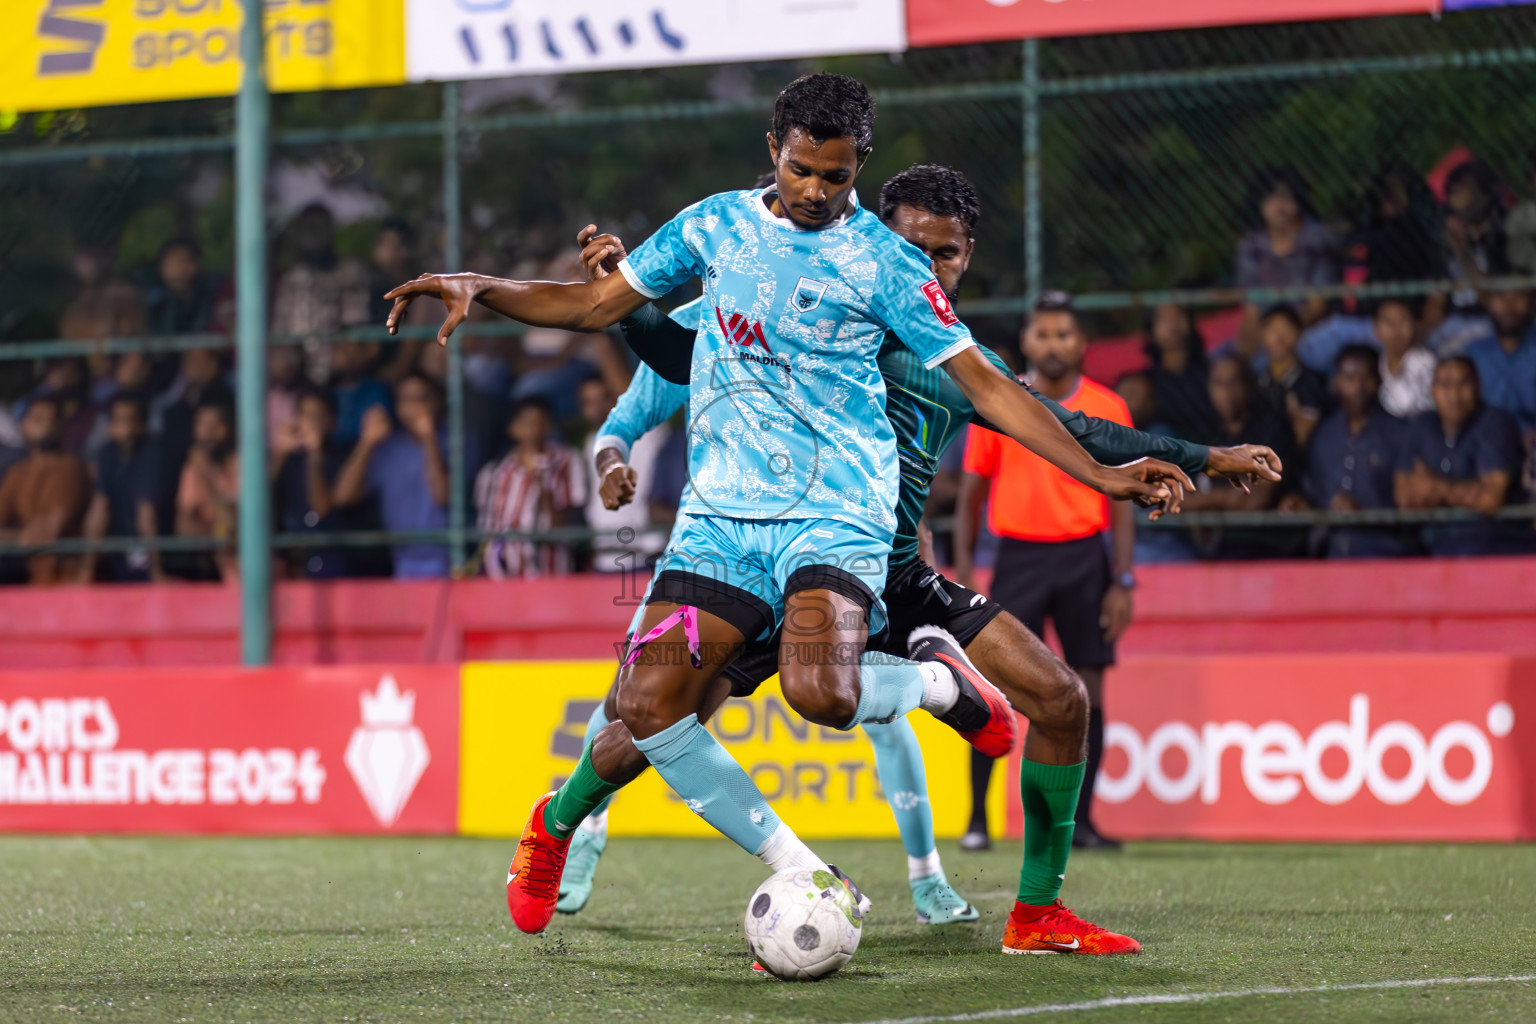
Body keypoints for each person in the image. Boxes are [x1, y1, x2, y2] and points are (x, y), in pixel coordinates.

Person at [386, 76, 1201, 947]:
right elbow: (597, 306)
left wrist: (1102, 474)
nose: (817, 191)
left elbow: (991, 390)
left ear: (860, 168)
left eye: (838, 177)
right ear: (773, 150)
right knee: (648, 706)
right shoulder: (713, 226)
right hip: (723, 520)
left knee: (822, 691)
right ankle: (560, 826)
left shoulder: (887, 266)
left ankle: (936, 707)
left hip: (835, 514)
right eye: (803, 169)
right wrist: (484, 286)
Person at [520, 166, 1280, 948]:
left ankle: (1032, 911)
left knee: (1060, 700)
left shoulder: (953, 359)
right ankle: (560, 825)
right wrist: (624, 309)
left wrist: (1201, 456)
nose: (924, 269)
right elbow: (675, 359)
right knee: (640, 724)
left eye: (943, 255)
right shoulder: (803, 309)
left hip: (888, 573)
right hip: (769, 563)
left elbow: (1068, 423)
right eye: (909, 250)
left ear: (966, 255)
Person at [953, 293, 1138, 852]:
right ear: (1027, 342)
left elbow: (1125, 501)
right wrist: (964, 571)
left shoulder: (1109, 405)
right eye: (1043, 334)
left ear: (1081, 344)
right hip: (1019, 559)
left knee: (1091, 691)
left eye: (1064, 334)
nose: (1053, 344)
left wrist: (1122, 580)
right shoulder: (1001, 401)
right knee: (992, 691)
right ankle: (978, 821)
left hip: (1087, 558)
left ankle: (1081, 824)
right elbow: (969, 497)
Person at [1284, 346, 1414, 558]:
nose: (1359, 386)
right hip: (1331, 553)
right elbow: (1315, 493)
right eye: (1350, 377)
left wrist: (1363, 513)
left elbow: (1411, 509)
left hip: (1387, 553)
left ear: (1379, 380)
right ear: (1336, 383)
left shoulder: (1402, 434)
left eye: (1366, 377)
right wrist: (1301, 503)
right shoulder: (1323, 434)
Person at [1397, 357, 1531, 556]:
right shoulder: (1421, 425)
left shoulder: (1495, 424)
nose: (1454, 395)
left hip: (1495, 547)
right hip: (1437, 544)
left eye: (1463, 384)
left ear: (1478, 386)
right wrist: (1465, 493)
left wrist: (1437, 488)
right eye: (1445, 385)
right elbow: (1405, 499)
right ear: (1432, 390)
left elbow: (1490, 500)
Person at [332, 374, 460, 579]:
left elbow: (442, 495)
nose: (413, 407)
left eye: (420, 399)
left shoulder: (455, 440)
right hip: (401, 562)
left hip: (448, 562)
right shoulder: (390, 448)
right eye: (405, 399)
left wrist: (429, 438)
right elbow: (343, 496)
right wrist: (366, 442)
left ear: (437, 402)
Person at [1180, 355, 1303, 559]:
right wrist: (1226, 498)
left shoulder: (1272, 430)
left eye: (1233, 382)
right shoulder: (1208, 434)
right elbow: (1179, 500)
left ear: (1248, 386)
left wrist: (1206, 501)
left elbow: (1254, 501)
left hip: (1271, 547)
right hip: (1219, 549)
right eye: (1218, 383)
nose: (1226, 392)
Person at [474, 396, 586, 578]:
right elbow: (486, 529)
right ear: (513, 428)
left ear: (550, 426)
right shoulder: (494, 471)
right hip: (501, 575)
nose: (534, 428)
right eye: (527, 421)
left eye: (541, 421)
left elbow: (571, 522)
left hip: (551, 572)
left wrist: (543, 483)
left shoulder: (567, 461)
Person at [1234, 169, 1340, 356]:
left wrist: (1283, 333)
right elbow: (1251, 313)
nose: (1278, 205)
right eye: (1270, 199)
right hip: (1267, 335)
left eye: (1284, 197)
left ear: (1298, 199)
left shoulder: (1319, 239)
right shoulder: (1251, 247)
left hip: (1315, 330)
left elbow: (1318, 307)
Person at [270, 203, 370, 384]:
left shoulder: (348, 272)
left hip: (336, 368)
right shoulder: (291, 278)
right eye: (308, 230)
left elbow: (355, 325)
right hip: (296, 370)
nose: (313, 236)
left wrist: (341, 354)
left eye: (319, 229)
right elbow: (281, 331)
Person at [580, 376, 670, 573]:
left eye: (603, 398)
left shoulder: (644, 434)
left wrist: (602, 345)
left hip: (645, 555)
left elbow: (638, 404)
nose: (596, 407)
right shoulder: (590, 443)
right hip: (604, 559)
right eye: (588, 402)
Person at [0, 397, 90, 585]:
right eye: (38, 419)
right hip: (33, 578)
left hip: (67, 578)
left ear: (61, 426)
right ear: (23, 425)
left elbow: (48, 532)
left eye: (52, 419)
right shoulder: (18, 472)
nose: (46, 425)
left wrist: (16, 537)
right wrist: (20, 537)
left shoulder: (70, 467)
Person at [77, 392, 165, 583]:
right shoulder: (106, 453)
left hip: (150, 546)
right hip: (116, 545)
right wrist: (86, 569)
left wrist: (157, 571)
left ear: (143, 424)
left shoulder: (152, 452)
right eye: (119, 419)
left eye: (131, 419)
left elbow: (146, 515)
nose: (126, 426)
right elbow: (100, 509)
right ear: (109, 425)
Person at [272, 388, 356, 579]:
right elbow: (256, 501)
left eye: (316, 415)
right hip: (294, 565)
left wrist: (314, 454)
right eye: (303, 414)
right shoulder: (288, 458)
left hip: (333, 564)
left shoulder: (343, 456)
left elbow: (321, 508)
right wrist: (280, 453)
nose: (308, 421)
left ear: (331, 422)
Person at [174, 401, 240, 582]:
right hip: (207, 561)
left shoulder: (243, 465)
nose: (208, 432)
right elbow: (184, 526)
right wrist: (213, 535)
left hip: (241, 566)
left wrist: (208, 474)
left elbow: (235, 526)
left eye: (215, 425)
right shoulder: (192, 468)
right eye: (202, 424)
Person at [1462, 285, 1536, 434]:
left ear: (1531, 302)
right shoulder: (1474, 351)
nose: (1510, 305)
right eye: (1501, 296)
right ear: (1489, 302)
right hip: (1486, 438)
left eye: (1518, 296)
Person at [1255, 305, 1328, 450]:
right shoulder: (1256, 382)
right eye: (1272, 330)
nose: (1278, 337)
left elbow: (1301, 440)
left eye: (1285, 329)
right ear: (1261, 334)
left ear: (1299, 333)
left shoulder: (1312, 384)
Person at [1142, 303, 1217, 441]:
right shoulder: (1146, 381)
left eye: (1178, 315)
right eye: (1164, 318)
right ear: (1151, 328)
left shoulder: (1213, 372)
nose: (1173, 323)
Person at [143, 238, 220, 336]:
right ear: (161, 267)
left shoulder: (211, 298)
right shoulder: (150, 302)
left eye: (188, 261)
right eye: (174, 262)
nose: (181, 268)